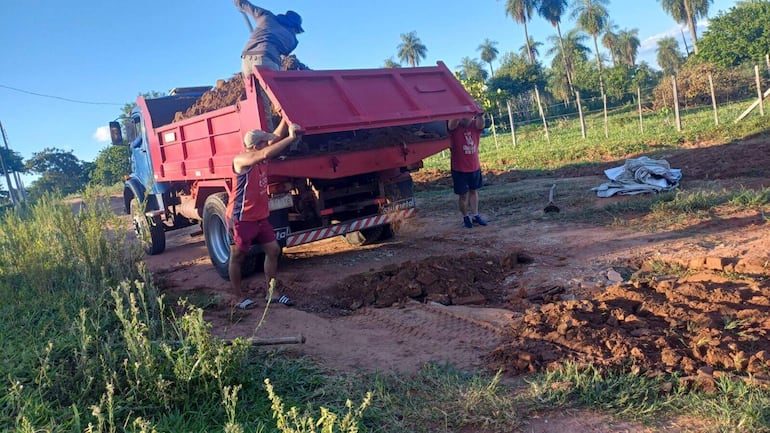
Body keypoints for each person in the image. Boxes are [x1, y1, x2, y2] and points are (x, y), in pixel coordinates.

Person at [227, 117, 303, 310]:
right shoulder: (243, 159)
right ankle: (238, 297)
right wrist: (292, 138)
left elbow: (275, 139)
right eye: (264, 142)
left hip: (260, 217)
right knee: (238, 256)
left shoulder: (261, 156)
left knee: (274, 250)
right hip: (242, 219)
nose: (268, 144)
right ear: (256, 146)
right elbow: (266, 151)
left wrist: (286, 120)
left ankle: (272, 292)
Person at [234, 0, 304, 77]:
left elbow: (247, 6)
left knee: (252, 88)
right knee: (272, 88)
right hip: (267, 59)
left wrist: (238, 2)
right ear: (295, 27)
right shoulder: (292, 40)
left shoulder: (267, 16)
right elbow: (284, 55)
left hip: (246, 59)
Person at [447, 113, 488, 229]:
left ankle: (476, 215)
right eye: (464, 116)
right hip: (459, 168)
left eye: (469, 115)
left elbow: (481, 124)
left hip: (474, 166)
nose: (467, 118)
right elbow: (451, 125)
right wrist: (459, 111)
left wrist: (480, 113)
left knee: (474, 192)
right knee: (463, 195)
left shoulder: (475, 125)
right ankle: (465, 217)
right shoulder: (455, 127)